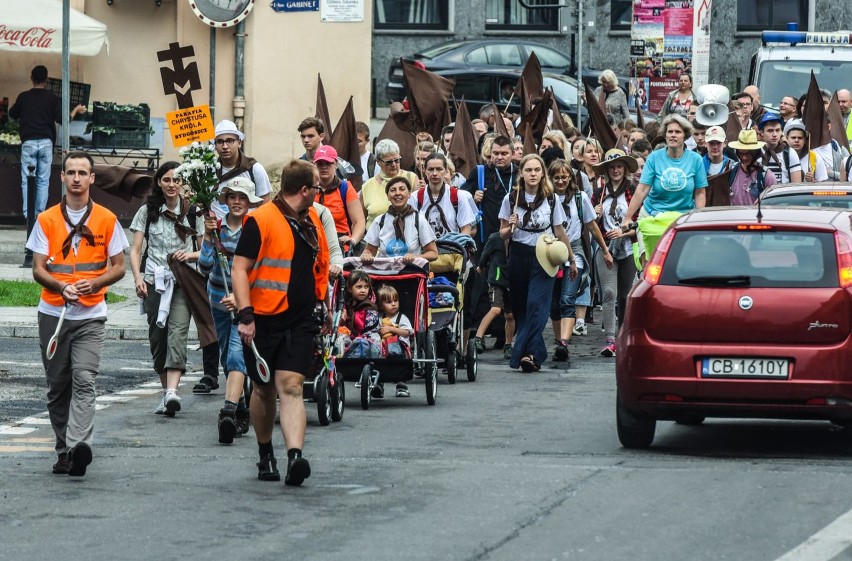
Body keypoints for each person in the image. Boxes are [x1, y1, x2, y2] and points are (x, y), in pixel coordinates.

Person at [27, 151, 128, 476]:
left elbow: (119, 267)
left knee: (84, 379)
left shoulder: (107, 219)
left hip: (90, 314)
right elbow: (38, 269)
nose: (76, 178)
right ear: (62, 177)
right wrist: (60, 286)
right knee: (58, 386)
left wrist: (94, 283)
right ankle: (63, 451)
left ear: (91, 178)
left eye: (82, 173)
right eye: (70, 172)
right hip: (53, 314)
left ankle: (78, 446)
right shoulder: (46, 220)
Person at [231, 159, 331, 486]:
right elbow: (239, 269)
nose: (320, 191)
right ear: (305, 190)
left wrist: (324, 306)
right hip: (261, 321)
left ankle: (294, 457)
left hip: (300, 319)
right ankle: (265, 453)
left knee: (291, 386)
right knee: (262, 390)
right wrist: (245, 316)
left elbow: (320, 268)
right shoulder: (260, 220)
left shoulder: (313, 218)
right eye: (317, 186)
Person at [129, 161, 203, 417]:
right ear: (159, 182)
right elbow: (136, 249)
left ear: (183, 184)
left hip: (183, 282)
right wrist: (138, 278)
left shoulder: (194, 212)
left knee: (178, 333)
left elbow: (204, 252)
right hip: (153, 281)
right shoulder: (147, 211)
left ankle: (173, 392)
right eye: (167, 180)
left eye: (177, 180)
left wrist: (189, 256)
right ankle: (165, 392)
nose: (172, 185)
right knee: (157, 339)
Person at [499, 154, 578, 373]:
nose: (533, 174)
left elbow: (560, 230)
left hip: (544, 254)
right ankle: (534, 354)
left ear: (542, 173)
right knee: (522, 308)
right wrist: (510, 225)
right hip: (519, 255)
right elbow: (503, 234)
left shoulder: (551, 198)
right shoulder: (511, 198)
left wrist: (571, 259)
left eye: (536, 170)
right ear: (521, 173)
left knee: (537, 305)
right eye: (528, 170)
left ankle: (527, 353)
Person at [198, 177, 261, 444]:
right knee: (227, 357)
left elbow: (257, 269)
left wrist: (240, 296)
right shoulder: (217, 227)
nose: (237, 202)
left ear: (249, 202)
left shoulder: (254, 229)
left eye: (242, 197)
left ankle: (228, 411)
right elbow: (203, 265)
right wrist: (207, 237)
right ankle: (242, 405)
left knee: (237, 355)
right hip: (217, 300)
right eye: (232, 197)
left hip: (243, 303)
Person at [550, 158, 613, 360]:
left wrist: (604, 250)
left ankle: (564, 343)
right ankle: (560, 337)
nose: (561, 181)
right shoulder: (547, 198)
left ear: (571, 177)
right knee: (554, 303)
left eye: (564, 177)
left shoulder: (580, 198)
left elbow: (592, 226)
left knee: (567, 298)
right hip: (550, 251)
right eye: (557, 177)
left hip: (574, 250)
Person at [10, 65, 86, 218]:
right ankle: (40, 215)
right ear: (46, 80)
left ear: (31, 78)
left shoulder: (23, 97)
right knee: (43, 181)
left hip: (29, 143)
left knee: (26, 180)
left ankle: (28, 214)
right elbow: (64, 120)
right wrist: (76, 110)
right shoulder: (52, 98)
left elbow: (12, 114)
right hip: (46, 143)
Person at [591, 151, 639, 357]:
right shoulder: (598, 194)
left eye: (619, 166)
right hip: (605, 247)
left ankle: (624, 335)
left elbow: (641, 224)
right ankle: (610, 339)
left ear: (625, 169)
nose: (616, 170)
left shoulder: (634, 192)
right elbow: (590, 225)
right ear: (607, 171)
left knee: (626, 295)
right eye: (612, 167)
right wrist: (595, 214)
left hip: (627, 247)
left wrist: (625, 232)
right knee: (609, 293)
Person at [622, 114, 708, 225]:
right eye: (670, 132)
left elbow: (700, 193)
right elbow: (642, 189)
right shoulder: (654, 157)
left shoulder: (696, 159)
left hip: (682, 219)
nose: (673, 135)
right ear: (665, 135)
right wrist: (628, 217)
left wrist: (698, 218)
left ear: (685, 136)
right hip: (652, 215)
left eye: (677, 132)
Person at [361, 176, 439, 263]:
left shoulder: (419, 219)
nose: (397, 193)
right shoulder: (379, 221)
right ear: (387, 196)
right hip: (384, 273)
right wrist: (366, 255)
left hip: (411, 272)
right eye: (393, 190)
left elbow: (433, 253)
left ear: (409, 194)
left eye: (402, 189)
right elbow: (370, 250)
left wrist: (415, 257)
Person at [210, 119, 273, 220]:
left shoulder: (254, 169)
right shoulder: (208, 171)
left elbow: (265, 205)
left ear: (239, 143)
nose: (225, 146)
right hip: (217, 231)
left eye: (230, 141)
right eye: (220, 142)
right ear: (215, 145)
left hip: (248, 229)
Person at [313, 145, 366, 254]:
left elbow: (359, 221)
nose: (324, 167)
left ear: (336, 164)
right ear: (314, 165)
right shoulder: (308, 189)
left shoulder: (345, 188)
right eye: (320, 164)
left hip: (340, 248)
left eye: (328, 163)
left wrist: (353, 240)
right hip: (314, 247)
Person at [410, 153, 477, 238]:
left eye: (439, 169)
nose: (434, 173)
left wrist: (458, 245)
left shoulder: (459, 196)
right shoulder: (415, 197)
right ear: (424, 170)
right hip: (424, 250)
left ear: (446, 170)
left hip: (452, 248)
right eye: (431, 169)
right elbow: (411, 228)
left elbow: (466, 229)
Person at [473, 231, 515, 360]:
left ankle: (508, 345)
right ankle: (478, 337)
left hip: (511, 281)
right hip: (496, 280)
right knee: (496, 309)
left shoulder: (519, 239)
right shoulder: (495, 238)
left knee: (510, 315)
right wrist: (481, 266)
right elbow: (485, 255)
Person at [361, 139, 419, 230]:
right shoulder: (367, 186)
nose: (394, 165)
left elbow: (419, 211)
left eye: (397, 160)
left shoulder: (411, 178)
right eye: (388, 162)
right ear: (378, 162)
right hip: (376, 239)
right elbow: (360, 221)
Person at [727, 129, 776, 205]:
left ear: (756, 152)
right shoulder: (731, 170)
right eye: (741, 154)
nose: (744, 158)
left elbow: (774, 203)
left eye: (748, 154)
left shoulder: (767, 176)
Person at [757, 113, 802, 184]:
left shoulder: (789, 153)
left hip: (783, 194)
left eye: (777, 130)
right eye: (770, 131)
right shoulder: (756, 152)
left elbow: (797, 185)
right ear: (761, 133)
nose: (775, 134)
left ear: (781, 132)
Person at [377, 284, 414, 360]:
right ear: (381, 305)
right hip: (384, 348)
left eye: (395, 300)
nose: (393, 304)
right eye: (389, 302)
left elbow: (407, 333)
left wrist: (391, 329)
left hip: (401, 349)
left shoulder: (402, 317)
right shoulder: (379, 318)